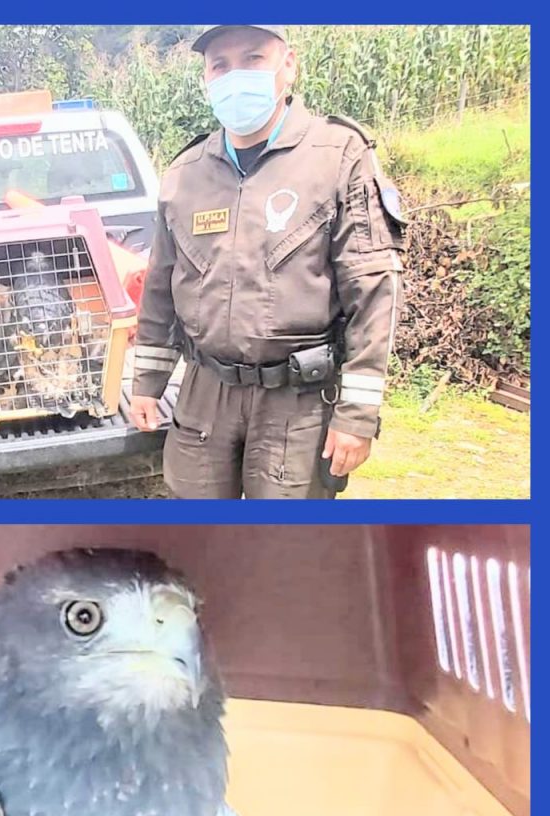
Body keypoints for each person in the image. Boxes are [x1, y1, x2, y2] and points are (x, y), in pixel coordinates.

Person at [131, 25, 407, 498]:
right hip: (204, 395)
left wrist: (358, 415)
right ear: (205, 78)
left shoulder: (339, 157)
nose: (235, 76)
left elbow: (374, 291)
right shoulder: (184, 174)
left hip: (296, 401)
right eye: (220, 65)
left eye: (253, 58)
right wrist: (147, 382)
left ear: (288, 65)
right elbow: (160, 287)